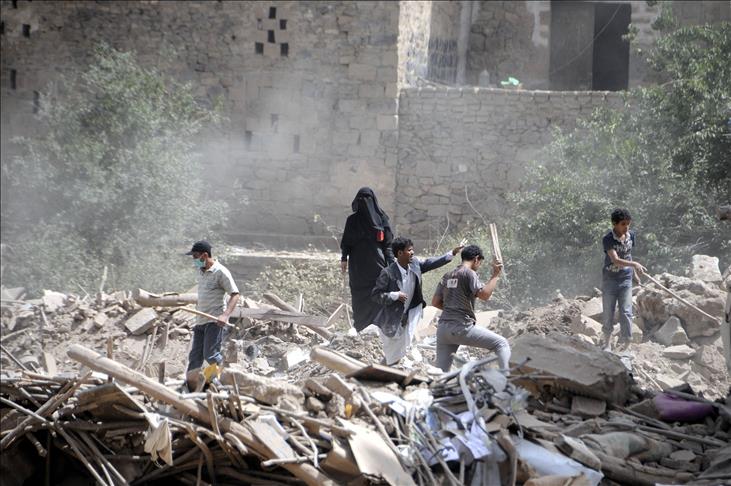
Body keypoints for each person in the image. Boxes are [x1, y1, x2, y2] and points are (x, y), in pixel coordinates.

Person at [371, 237, 463, 365]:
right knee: (393, 351)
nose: (412, 253)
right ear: (400, 253)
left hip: (410, 313)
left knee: (400, 350)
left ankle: (384, 369)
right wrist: (394, 295)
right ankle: (380, 369)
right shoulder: (388, 273)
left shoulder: (414, 265)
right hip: (391, 319)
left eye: (412, 249)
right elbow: (376, 295)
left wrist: (452, 253)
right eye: (409, 250)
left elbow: (431, 263)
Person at [432, 245, 510, 372]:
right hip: (461, 328)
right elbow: (484, 295)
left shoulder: (447, 275)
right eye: (480, 263)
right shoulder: (469, 273)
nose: (479, 265)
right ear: (476, 259)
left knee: (440, 372)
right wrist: (496, 275)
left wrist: (452, 308)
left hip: (443, 330)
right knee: (501, 343)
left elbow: (435, 302)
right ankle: (506, 379)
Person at [185, 240, 240, 391]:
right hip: (200, 321)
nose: (194, 260)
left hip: (214, 321)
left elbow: (235, 294)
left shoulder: (220, 272)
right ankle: (191, 386)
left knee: (210, 354)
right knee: (195, 356)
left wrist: (225, 315)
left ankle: (218, 382)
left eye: (195, 256)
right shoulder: (201, 271)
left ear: (204, 255)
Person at [340, 187, 395, 332]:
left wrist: (392, 264)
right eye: (361, 199)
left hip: (375, 266)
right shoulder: (352, 220)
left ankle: (377, 326)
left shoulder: (381, 219)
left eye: (367, 199)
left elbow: (388, 245)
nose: (364, 202)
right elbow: (346, 242)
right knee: (359, 296)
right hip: (358, 267)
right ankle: (360, 326)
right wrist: (343, 258)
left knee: (377, 292)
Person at [600, 208, 646, 351]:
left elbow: (628, 255)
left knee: (626, 311)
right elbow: (615, 260)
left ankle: (626, 345)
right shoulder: (608, 239)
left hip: (625, 279)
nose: (626, 227)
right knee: (608, 312)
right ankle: (607, 343)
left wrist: (634, 275)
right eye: (623, 224)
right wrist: (635, 264)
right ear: (614, 224)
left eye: (628, 224)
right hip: (610, 280)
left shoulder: (631, 236)